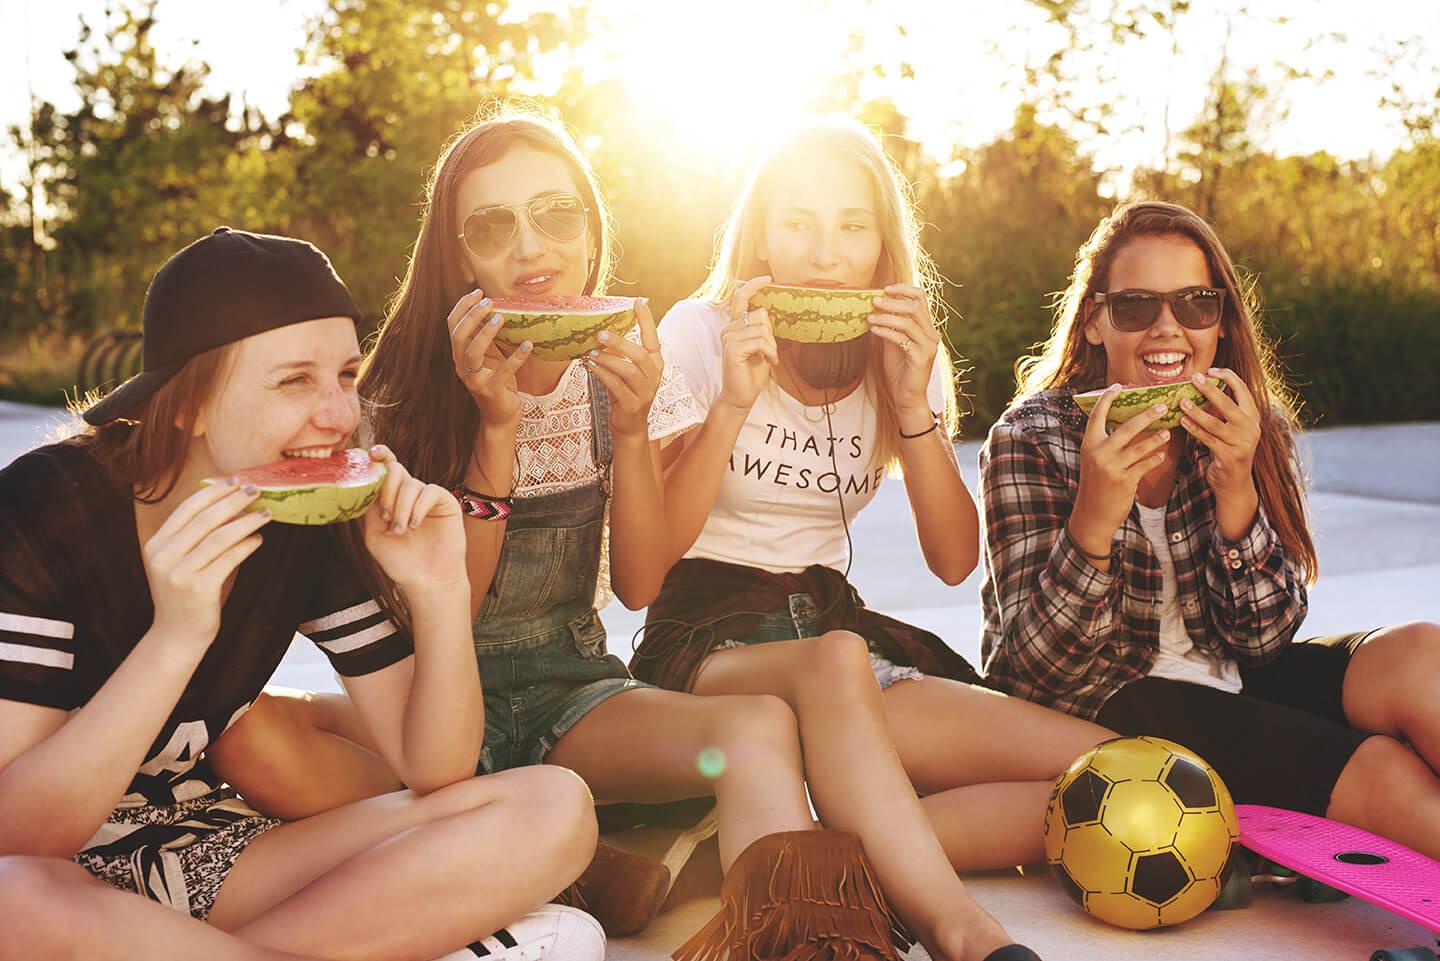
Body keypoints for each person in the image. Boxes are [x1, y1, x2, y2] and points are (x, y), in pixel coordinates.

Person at [0, 228, 603, 961]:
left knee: (555, 806)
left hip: (210, 853)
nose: (339, 416)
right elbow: (20, 837)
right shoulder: (42, 511)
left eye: (346, 376)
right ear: (185, 402)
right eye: (294, 381)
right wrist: (175, 638)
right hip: (59, 881)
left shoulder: (311, 511)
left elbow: (435, 768)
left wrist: (440, 587)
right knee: (11, 896)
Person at [631, 117, 1112, 955]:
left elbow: (955, 560)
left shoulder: (906, 350)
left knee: (1101, 768)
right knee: (836, 656)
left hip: (833, 636)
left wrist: (913, 405)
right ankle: (959, 927)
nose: (825, 254)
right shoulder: (700, 335)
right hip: (708, 640)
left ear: (883, 244)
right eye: (798, 223)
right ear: (761, 236)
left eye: (853, 226)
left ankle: (845, 846)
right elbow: (646, 562)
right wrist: (733, 406)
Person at [978, 199, 1440, 859]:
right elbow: (1034, 676)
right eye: (1137, 306)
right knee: (1382, 769)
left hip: (1233, 674)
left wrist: (1237, 492)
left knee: (1423, 652)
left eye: (1194, 303)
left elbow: (1264, 640)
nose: (1168, 329)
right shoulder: (1032, 437)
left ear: (1220, 322)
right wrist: (1094, 521)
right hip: (1109, 703)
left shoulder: (1250, 422)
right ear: (1094, 324)